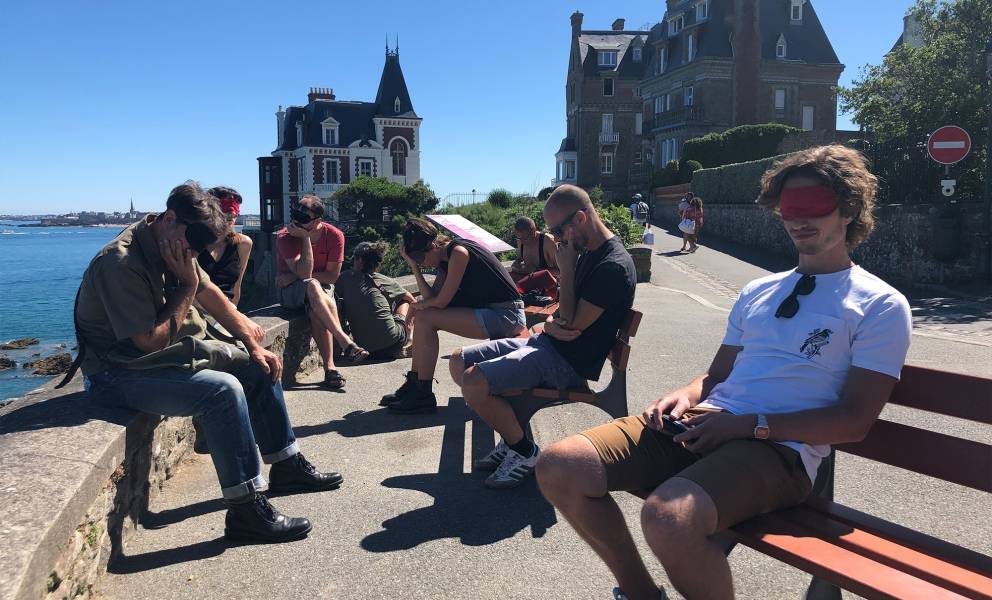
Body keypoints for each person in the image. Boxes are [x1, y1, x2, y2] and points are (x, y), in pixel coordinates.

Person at [535, 145, 913, 600]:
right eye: (789, 207)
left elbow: (854, 421)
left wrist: (749, 426)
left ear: (850, 208)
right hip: (708, 423)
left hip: (781, 452)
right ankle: (640, 593)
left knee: (666, 517)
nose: (798, 219)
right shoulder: (758, 290)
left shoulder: (879, 304)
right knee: (559, 466)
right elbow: (715, 378)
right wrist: (686, 393)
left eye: (815, 205)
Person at [76, 183, 344, 544]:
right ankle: (246, 509)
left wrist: (252, 343)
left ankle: (287, 465)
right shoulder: (121, 263)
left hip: (156, 362)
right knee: (221, 390)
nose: (194, 254)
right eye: (193, 246)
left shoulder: (175, 241)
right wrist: (185, 284)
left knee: (259, 366)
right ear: (170, 218)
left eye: (199, 249)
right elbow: (148, 342)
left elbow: (211, 294)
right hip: (118, 371)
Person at [449, 185, 637, 489]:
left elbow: (571, 323)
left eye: (558, 231)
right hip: (549, 345)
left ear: (579, 218)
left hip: (568, 363)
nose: (556, 239)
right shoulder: (587, 252)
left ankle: (524, 451)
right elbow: (562, 317)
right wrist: (551, 323)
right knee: (459, 362)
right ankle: (514, 437)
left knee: (473, 381)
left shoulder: (612, 266)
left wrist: (565, 272)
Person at [382, 217, 526, 414]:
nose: (421, 263)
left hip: (507, 315)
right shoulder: (444, 259)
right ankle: (416, 385)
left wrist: (418, 306)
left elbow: (440, 302)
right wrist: (414, 268)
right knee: (426, 315)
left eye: (419, 258)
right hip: (493, 313)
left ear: (432, 246)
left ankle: (422, 392)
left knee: (426, 317)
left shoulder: (458, 253)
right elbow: (432, 297)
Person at [275, 194, 368, 389]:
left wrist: (293, 276)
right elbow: (305, 273)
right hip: (290, 294)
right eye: (295, 214)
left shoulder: (334, 236)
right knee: (313, 285)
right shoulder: (285, 236)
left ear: (318, 220)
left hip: (317, 289)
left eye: (303, 218)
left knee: (316, 310)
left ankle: (330, 369)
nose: (296, 221)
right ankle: (344, 341)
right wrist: (305, 238)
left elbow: (332, 276)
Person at [335, 241, 415, 360]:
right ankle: (409, 337)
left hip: (364, 347)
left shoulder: (344, 277)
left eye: (354, 259)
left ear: (360, 260)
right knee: (404, 301)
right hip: (393, 343)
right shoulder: (383, 280)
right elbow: (412, 299)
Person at [197, 186, 252, 306]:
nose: (232, 212)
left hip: (225, 314)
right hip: (195, 314)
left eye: (235, 208)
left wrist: (232, 317)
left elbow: (236, 288)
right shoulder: (194, 244)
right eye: (226, 207)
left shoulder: (243, 244)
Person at [509, 216, 559, 301]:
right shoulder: (521, 241)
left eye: (525, 238)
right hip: (530, 283)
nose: (522, 242)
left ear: (533, 230)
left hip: (549, 287)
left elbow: (562, 272)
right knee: (509, 278)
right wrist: (516, 265)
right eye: (519, 238)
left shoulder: (548, 242)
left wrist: (537, 271)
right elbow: (519, 260)